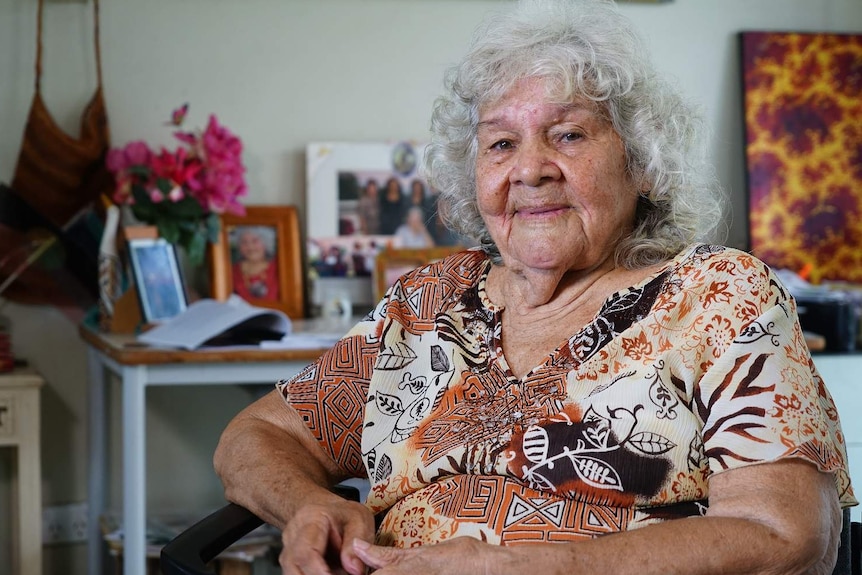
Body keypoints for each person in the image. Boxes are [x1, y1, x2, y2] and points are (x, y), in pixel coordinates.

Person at [214, 1, 856, 574]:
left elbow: (786, 537)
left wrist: (524, 566)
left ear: (642, 162)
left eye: (568, 134)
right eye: (500, 143)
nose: (529, 170)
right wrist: (312, 507)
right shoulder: (428, 302)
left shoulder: (717, 295)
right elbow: (256, 438)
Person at [231, 226, 279, 301]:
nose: (250, 247)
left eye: (255, 241)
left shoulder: (279, 266)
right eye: (244, 242)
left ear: (266, 242)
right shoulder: (232, 271)